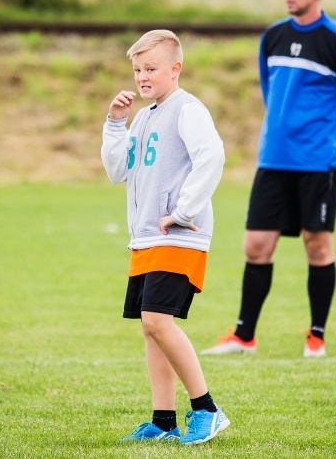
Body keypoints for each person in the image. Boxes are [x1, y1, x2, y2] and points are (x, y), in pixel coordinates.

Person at [202, 0, 336, 358]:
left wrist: (327, 140)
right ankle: (244, 336)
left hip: (319, 163)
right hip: (273, 159)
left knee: (317, 245)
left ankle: (316, 336)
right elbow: (269, 90)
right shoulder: (272, 37)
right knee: (256, 245)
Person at [101, 29, 230, 444]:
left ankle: (208, 410)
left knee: (158, 320)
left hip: (179, 235)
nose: (142, 76)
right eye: (137, 69)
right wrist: (115, 124)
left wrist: (183, 211)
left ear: (175, 69)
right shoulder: (143, 116)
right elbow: (117, 170)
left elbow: (212, 157)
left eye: (151, 68)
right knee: (151, 326)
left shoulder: (188, 109)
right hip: (145, 240)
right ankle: (162, 420)